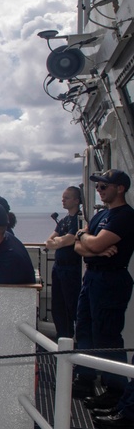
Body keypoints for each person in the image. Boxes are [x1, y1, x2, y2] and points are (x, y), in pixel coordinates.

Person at [72, 169, 134, 407]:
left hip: (111, 280)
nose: (99, 191)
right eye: (98, 187)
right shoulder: (101, 217)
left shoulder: (125, 216)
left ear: (120, 188)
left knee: (107, 336)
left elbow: (95, 243)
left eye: (104, 187)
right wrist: (88, 242)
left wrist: (88, 240)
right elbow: (80, 247)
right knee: (85, 329)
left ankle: (115, 389)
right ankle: (85, 377)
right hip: (92, 278)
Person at [44, 186, 82, 340]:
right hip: (59, 268)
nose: (63, 200)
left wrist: (59, 241)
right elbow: (49, 241)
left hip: (73, 269)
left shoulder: (79, 220)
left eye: (66, 198)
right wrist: (59, 241)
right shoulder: (65, 220)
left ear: (76, 200)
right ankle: (63, 338)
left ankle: (77, 342)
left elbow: (69, 239)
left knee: (72, 306)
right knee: (58, 307)